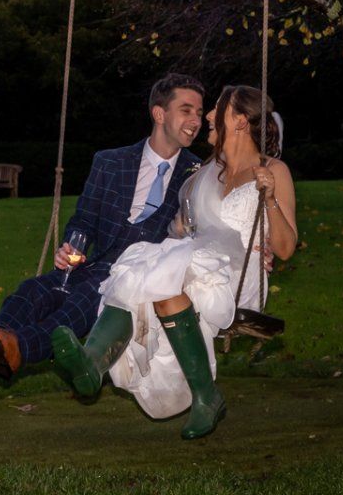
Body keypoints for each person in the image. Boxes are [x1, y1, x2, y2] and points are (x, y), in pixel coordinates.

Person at [51, 84, 298, 439]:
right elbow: (180, 231)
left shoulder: (274, 170)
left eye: (217, 109)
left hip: (238, 279)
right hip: (194, 265)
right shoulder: (203, 173)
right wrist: (177, 234)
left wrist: (270, 198)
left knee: (163, 274)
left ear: (241, 121)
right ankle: (93, 363)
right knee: (143, 264)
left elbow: (286, 247)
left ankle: (200, 394)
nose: (208, 117)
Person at [0, 74, 206, 386]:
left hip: (135, 279)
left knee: (81, 303)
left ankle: (8, 350)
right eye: (187, 110)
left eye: (199, 113)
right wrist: (70, 247)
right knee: (33, 290)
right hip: (92, 266)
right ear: (159, 113)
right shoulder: (110, 162)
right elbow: (83, 221)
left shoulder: (196, 174)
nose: (195, 120)